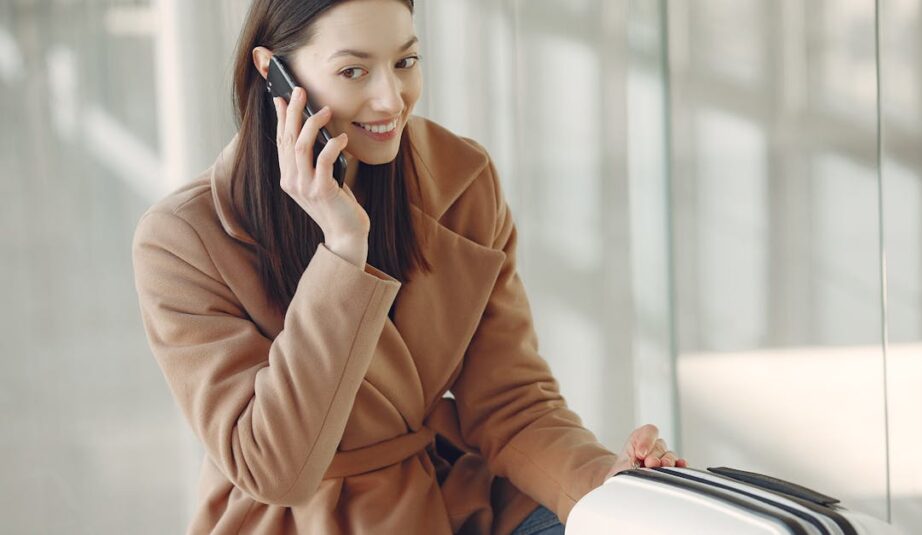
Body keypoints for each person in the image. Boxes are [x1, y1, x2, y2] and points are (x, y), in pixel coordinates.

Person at [131, 0, 686, 533]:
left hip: (456, 503)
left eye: (405, 62)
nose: (390, 99)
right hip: (295, 520)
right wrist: (344, 249)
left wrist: (603, 481)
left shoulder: (461, 178)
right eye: (353, 70)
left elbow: (509, 403)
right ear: (272, 70)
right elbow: (277, 468)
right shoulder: (182, 240)